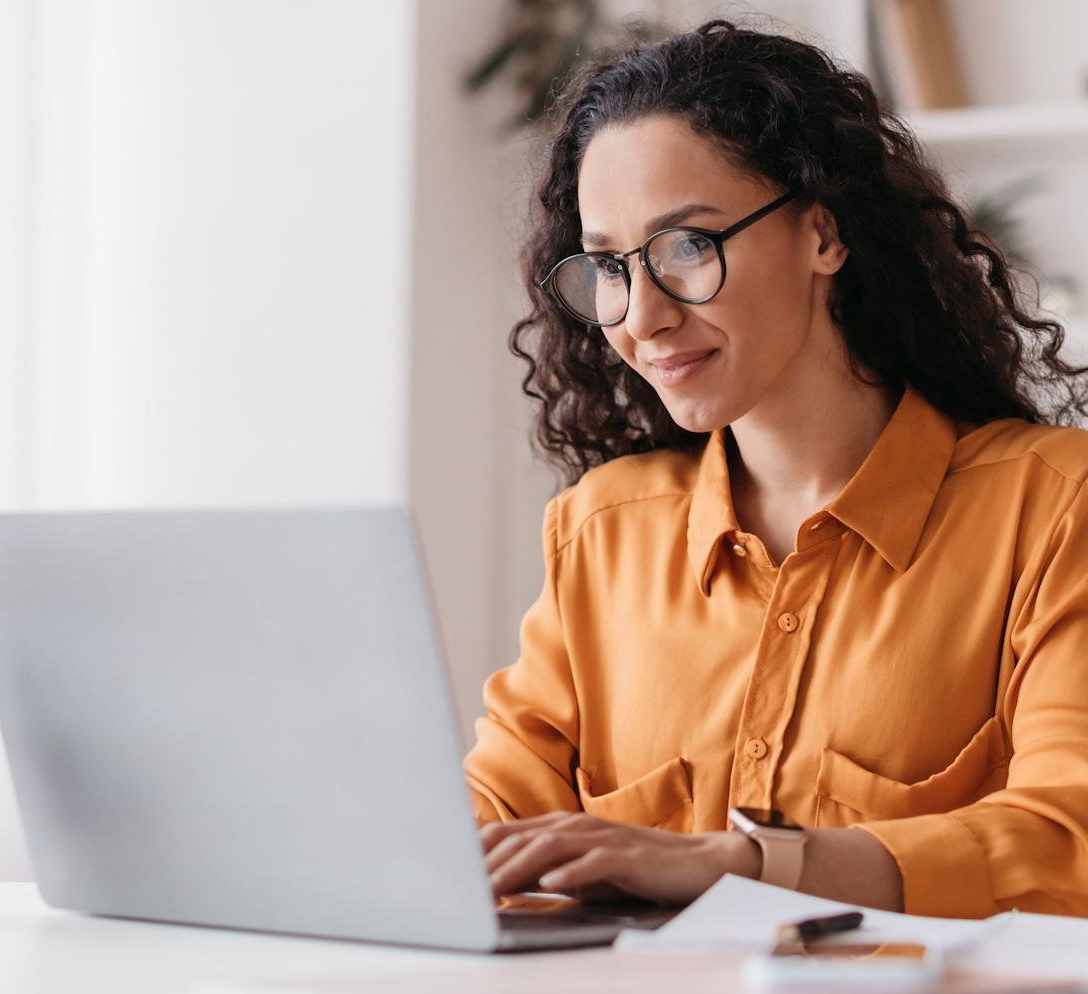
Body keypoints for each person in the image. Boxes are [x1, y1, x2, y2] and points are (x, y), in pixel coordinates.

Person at [464, 18, 1088, 919]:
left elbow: (1067, 840)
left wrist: (745, 864)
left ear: (823, 236)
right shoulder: (604, 532)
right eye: (608, 265)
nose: (641, 316)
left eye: (687, 245)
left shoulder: (1054, 508)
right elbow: (493, 828)